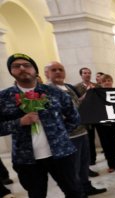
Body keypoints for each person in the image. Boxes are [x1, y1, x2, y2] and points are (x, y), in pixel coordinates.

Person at [0, 53, 84, 197]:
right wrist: (19, 122)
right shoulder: (4, 97)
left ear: (35, 70)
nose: (22, 68)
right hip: (26, 159)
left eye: (27, 65)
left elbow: (74, 118)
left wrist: (61, 134)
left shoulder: (55, 93)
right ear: (11, 71)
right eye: (16, 66)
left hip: (61, 154)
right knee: (36, 194)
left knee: (75, 191)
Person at [47, 61, 107, 196]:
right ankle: (77, 191)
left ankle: (86, 186)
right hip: (68, 135)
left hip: (82, 130)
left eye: (60, 69)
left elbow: (77, 103)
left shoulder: (68, 87)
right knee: (73, 167)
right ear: (47, 73)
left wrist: (86, 96)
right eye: (54, 70)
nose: (58, 72)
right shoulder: (47, 90)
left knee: (84, 163)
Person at [75, 67, 101, 174]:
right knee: (89, 139)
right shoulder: (76, 87)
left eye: (89, 73)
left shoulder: (97, 85)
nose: (87, 75)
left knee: (102, 136)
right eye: (85, 73)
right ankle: (92, 159)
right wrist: (87, 93)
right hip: (86, 116)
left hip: (98, 115)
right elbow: (77, 101)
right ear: (81, 75)